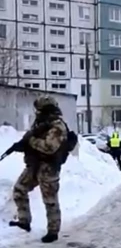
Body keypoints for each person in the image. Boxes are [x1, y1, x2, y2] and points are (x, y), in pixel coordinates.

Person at [9, 96, 69, 243]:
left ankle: (53, 231)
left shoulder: (57, 126)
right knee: (19, 189)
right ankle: (24, 221)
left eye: (39, 110)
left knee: (50, 200)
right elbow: (33, 140)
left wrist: (30, 141)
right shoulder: (42, 124)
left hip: (49, 168)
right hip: (34, 165)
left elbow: (49, 147)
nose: (37, 113)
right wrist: (22, 145)